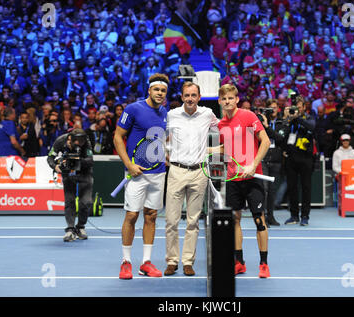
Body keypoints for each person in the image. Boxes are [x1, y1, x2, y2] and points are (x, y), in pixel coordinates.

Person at [114, 73, 170, 280]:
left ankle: (146, 262)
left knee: (151, 216)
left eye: (163, 91)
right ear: (149, 90)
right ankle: (126, 262)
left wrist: (166, 155)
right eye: (157, 89)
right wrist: (128, 164)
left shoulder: (166, 112)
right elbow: (118, 137)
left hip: (158, 174)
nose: (160, 93)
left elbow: (162, 139)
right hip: (136, 173)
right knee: (131, 215)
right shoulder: (133, 109)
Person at [164, 81, 219, 276]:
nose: (190, 99)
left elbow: (224, 127)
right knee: (171, 220)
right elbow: (157, 137)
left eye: (193, 95)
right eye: (186, 95)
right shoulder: (171, 115)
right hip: (176, 171)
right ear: (181, 97)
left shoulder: (207, 114)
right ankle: (172, 260)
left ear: (199, 97)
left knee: (193, 221)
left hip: (199, 173)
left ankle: (188, 261)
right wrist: (163, 154)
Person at [217, 83, 271, 278]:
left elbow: (265, 141)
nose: (228, 101)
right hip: (233, 178)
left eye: (231, 98)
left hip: (253, 177)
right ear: (220, 101)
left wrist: (253, 165)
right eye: (224, 99)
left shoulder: (248, 116)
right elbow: (226, 149)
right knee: (235, 220)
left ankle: (264, 264)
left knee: (259, 220)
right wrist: (206, 151)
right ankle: (239, 262)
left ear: (236, 99)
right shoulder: (221, 125)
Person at [47, 128, 94, 242]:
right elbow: (50, 158)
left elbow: (90, 160)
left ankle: (80, 227)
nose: (80, 143)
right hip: (68, 173)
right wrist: (56, 166)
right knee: (69, 200)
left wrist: (76, 160)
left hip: (85, 172)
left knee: (86, 202)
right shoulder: (60, 141)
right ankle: (70, 229)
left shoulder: (86, 142)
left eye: (82, 141)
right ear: (70, 139)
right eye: (77, 141)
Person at [280, 95, 316, 226]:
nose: (296, 110)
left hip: (306, 158)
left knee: (306, 188)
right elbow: (281, 134)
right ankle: (294, 215)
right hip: (291, 158)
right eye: (295, 108)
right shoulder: (290, 120)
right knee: (292, 188)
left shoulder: (309, 117)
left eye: (299, 108)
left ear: (304, 108)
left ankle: (305, 215)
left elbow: (312, 127)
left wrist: (298, 118)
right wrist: (286, 119)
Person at [259, 98, 285, 226]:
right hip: (263, 158)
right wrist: (262, 123)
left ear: (278, 109)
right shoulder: (260, 121)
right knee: (264, 189)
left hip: (276, 159)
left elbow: (280, 138)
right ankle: (263, 216)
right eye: (270, 108)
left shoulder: (281, 122)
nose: (273, 110)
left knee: (272, 189)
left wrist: (267, 127)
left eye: (275, 107)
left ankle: (271, 216)